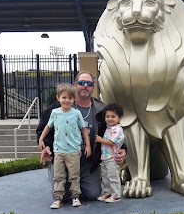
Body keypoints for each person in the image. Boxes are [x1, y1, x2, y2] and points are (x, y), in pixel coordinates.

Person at [36, 71, 126, 201]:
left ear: (93, 87)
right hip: (65, 154)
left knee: (93, 194)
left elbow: (115, 129)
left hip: (88, 160)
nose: (85, 86)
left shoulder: (101, 109)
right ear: (75, 85)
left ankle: (80, 183)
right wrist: (46, 146)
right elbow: (44, 127)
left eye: (89, 83)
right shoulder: (59, 107)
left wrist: (124, 148)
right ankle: (67, 181)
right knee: (63, 196)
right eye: (81, 83)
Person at [38, 83, 91, 209]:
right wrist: (41, 139)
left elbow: (84, 129)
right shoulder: (55, 113)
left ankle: (75, 196)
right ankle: (58, 198)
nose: (66, 100)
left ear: (74, 99)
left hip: (73, 151)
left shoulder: (76, 113)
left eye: (70, 98)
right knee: (59, 176)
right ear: (58, 98)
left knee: (74, 175)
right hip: (58, 151)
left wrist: (88, 145)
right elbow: (48, 126)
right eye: (64, 97)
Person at [96, 103, 124, 203]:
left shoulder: (118, 130)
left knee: (113, 177)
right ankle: (106, 193)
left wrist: (99, 139)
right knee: (105, 177)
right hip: (105, 157)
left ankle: (116, 195)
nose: (110, 119)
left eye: (113, 116)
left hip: (112, 157)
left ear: (119, 118)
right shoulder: (108, 128)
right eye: (107, 116)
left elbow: (112, 142)